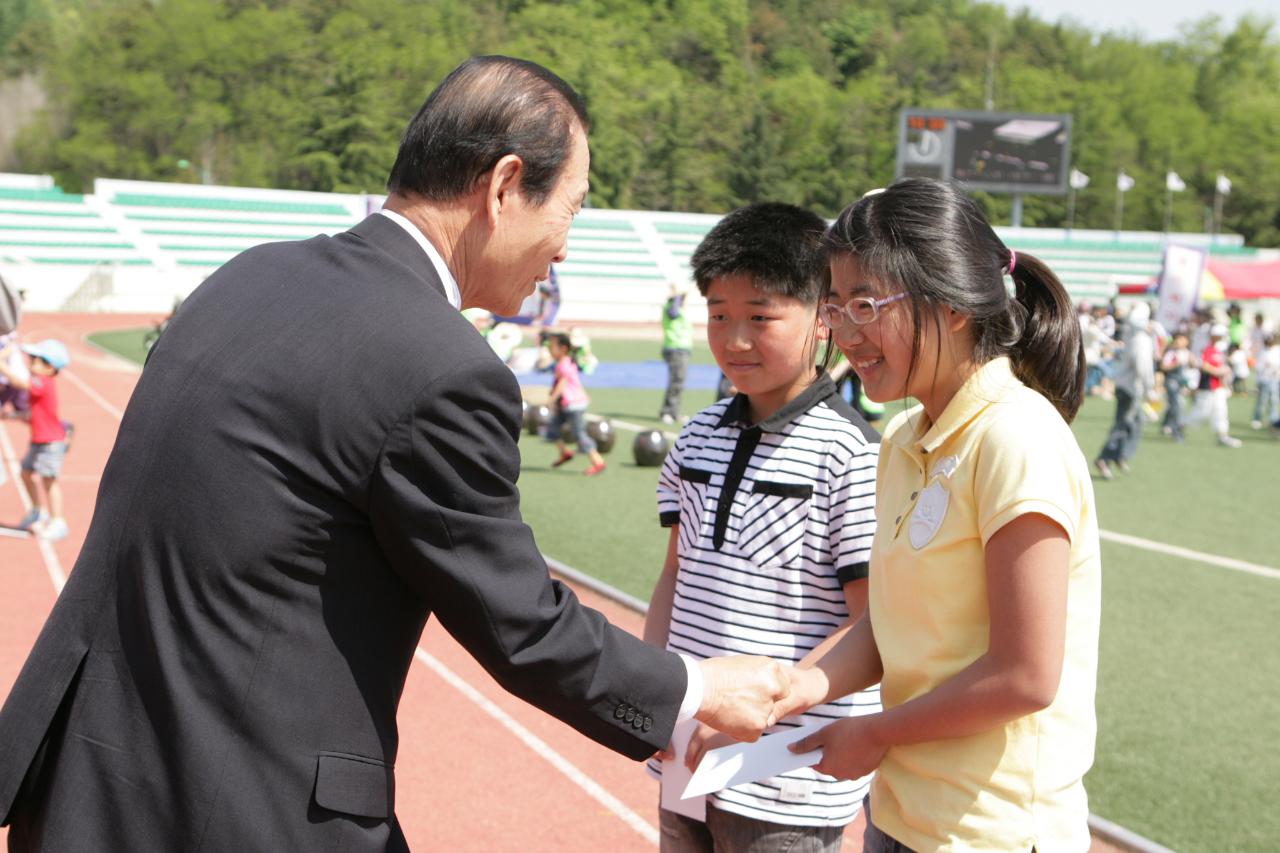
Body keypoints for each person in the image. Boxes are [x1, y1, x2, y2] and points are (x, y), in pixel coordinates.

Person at [0, 56, 792, 852]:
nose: (564, 250)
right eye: (572, 211)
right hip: (239, 806)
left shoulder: (248, 275)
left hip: (86, 779)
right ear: (505, 185)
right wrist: (695, 690)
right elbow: (518, 623)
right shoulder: (442, 365)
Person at [782, 179, 1100, 853]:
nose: (845, 331)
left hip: (996, 833)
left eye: (866, 302)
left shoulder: (1017, 438)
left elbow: (1025, 674)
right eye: (834, 305)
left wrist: (874, 731)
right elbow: (893, 620)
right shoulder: (903, 439)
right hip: (901, 817)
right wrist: (792, 688)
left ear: (952, 305)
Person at [644, 203, 881, 851]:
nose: (734, 338)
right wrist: (661, 694)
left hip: (786, 780)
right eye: (719, 314)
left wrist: (758, 715)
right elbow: (675, 574)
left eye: (760, 316)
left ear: (822, 318)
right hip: (688, 755)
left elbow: (873, 623)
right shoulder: (695, 438)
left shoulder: (851, 453)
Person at [0, 338, 72, 540]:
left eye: (35, 360)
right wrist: (12, 416)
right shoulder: (39, 385)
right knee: (25, 473)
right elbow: (34, 414)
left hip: (50, 442)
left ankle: (59, 521)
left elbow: (18, 382)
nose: (30, 362)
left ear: (50, 368)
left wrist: (2, 362)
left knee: (49, 480)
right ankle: (37, 512)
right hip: (39, 439)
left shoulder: (43, 383)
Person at [1094, 302, 1156, 479]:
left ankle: (1121, 454)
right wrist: (1150, 388)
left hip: (1127, 385)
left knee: (1136, 422)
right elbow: (1142, 366)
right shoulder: (1140, 339)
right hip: (1130, 387)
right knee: (1124, 423)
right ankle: (1105, 457)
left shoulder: (1132, 334)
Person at [544, 330, 606, 476]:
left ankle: (598, 461)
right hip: (567, 404)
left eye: (552, 347)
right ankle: (565, 452)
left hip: (573, 405)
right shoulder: (566, 362)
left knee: (579, 434)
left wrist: (551, 400)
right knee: (552, 429)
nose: (550, 350)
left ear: (563, 349)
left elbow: (562, 384)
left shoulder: (563, 365)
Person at [1186, 323, 1241, 448]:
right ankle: (1179, 426)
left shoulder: (1219, 351)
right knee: (1202, 412)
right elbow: (1202, 365)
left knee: (1221, 411)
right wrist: (1217, 371)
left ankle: (1222, 436)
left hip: (1218, 387)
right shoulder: (1208, 349)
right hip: (1208, 385)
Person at [659, 282, 694, 424]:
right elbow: (673, 313)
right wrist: (677, 297)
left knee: (679, 382)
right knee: (676, 381)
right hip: (675, 348)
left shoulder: (680, 309)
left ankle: (675, 412)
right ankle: (667, 412)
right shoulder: (671, 307)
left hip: (683, 348)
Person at [1160, 332, 1194, 442]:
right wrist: (1176, 364)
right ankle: (1176, 431)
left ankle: (1166, 424)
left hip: (1181, 382)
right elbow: (1163, 366)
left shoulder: (1187, 353)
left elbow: (1194, 364)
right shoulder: (1172, 353)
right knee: (1177, 405)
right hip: (1172, 380)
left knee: (1174, 405)